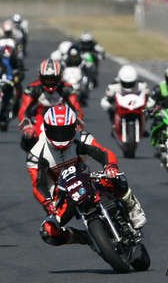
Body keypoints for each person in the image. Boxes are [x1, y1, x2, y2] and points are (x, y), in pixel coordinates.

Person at [27, 104, 147, 246]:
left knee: (114, 177)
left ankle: (132, 205)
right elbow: (38, 185)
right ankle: (85, 238)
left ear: (74, 128)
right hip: (61, 195)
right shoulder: (36, 154)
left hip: (85, 178)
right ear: (46, 129)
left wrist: (110, 166)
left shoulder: (81, 137)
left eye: (65, 131)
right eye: (56, 132)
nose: (60, 136)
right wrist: (48, 202)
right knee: (48, 232)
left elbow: (103, 152)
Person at [17, 58, 84, 153]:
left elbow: (77, 108)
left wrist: (78, 123)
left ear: (59, 77)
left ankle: (75, 158)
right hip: (39, 117)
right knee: (28, 137)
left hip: (62, 118)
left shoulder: (67, 88)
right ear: (40, 77)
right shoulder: (32, 89)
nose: (50, 82)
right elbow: (23, 110)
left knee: (79, 138)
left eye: (53, 79)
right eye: (46, 79)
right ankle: (32, 156)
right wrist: (27, 125)